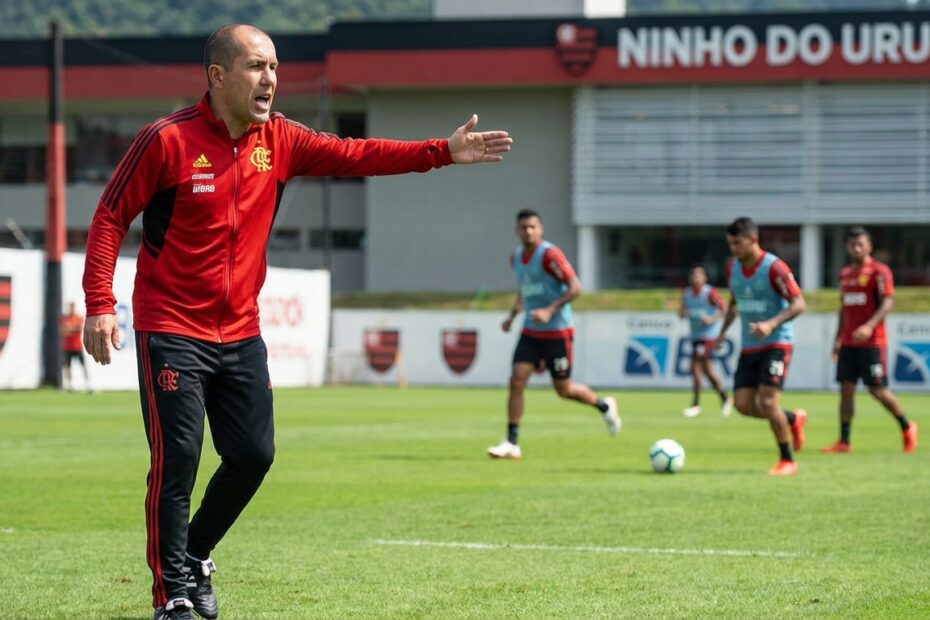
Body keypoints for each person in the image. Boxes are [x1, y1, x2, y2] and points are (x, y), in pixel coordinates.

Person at [82, 24, 512, 620]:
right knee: (178, 459)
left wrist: (441, 152)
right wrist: (99, 303)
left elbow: (360, 154)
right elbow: (109, 217)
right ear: (218, 75)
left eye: (275, 67)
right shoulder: (166, 140)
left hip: (241, 332)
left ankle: (195, 554)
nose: (271, 80)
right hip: (171, 328)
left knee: (255, 455)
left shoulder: (281, 140)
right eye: (257, 67)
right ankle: (172, 594)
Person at [487, 209, 619, 460]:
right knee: (516, 380)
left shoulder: (549, 255)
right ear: (517, 231)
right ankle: (512, 442)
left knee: (564, 389)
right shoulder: (516, 258)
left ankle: (604, 405)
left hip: (557, 331)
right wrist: (512, 316)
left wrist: (549, 310)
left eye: (532, 227)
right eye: (523, 227)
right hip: (531, 330)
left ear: (540, 229)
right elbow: (525, 291)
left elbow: (576, 288)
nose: (528, 231)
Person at [713, 217, 808, 476]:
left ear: (753, 240)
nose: (733, 248)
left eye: (738, 243)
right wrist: (721, 334)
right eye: (730, 243)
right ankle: (792, 419)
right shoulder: (733, 268)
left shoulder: (774, 267)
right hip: (749, 346)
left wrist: (771, 324)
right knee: (743, 405)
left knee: (767, 402)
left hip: (777, 342)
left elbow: (799, 303)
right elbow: (735, 303)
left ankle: (787, 460)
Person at [822, 226, 918, 454]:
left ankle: (906, 426)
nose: (856, 248)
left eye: (860, 244)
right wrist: (837, 339)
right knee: (846, 390)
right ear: (847, 247)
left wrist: (869, 326)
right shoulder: (844, 274)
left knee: (877, 390)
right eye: (852, 244)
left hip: (872, 343)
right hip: (848, 343)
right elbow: (844, 309)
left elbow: (887, 303)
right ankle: (844, 441)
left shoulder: (879, 272)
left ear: (869, 246)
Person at [678, 264, 731, 417]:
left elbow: (724, 308)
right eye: (693, 276)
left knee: (695, 365)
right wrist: (683, 313)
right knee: (707, 371)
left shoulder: (710, 293)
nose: (695, 279)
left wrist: (712, 318)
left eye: (698, 276)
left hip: (708, 336)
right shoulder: (687, 293)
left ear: (704, 278)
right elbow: (681, 312)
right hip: (695, 336)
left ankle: (695, 404)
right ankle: (725, 398)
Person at [60, 302, 91, 392]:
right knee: (68, 367)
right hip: (67, 347)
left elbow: (79, 328)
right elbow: (63, 330)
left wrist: (70, 328)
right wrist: (71, 329)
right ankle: (70, 386)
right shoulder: (65, 318)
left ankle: (88, 385)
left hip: (77, 347)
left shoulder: (78, 318)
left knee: (83, 366)